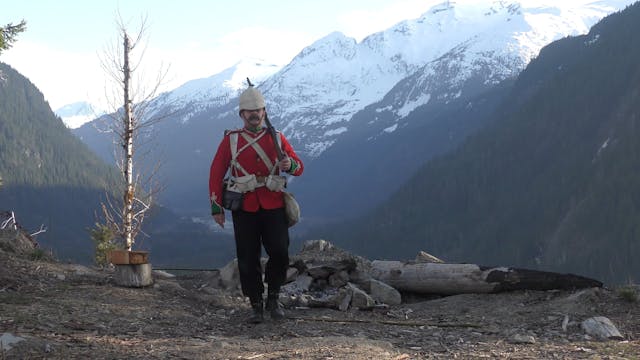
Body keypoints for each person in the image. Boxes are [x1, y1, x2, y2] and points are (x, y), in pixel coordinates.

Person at [208, 84, 304, 323]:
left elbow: (299, 167)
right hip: (245, 207)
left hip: (273, 205)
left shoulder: (278, 138)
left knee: (280, 253)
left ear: (264, 112)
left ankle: (274, 297)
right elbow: (216, 172)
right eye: (249, 111)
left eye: (258, 110)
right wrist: (216, 206)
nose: (254, 114)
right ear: (242, 114)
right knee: (248, 258)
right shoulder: (231, 141)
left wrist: (288, 165)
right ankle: (256, 305)